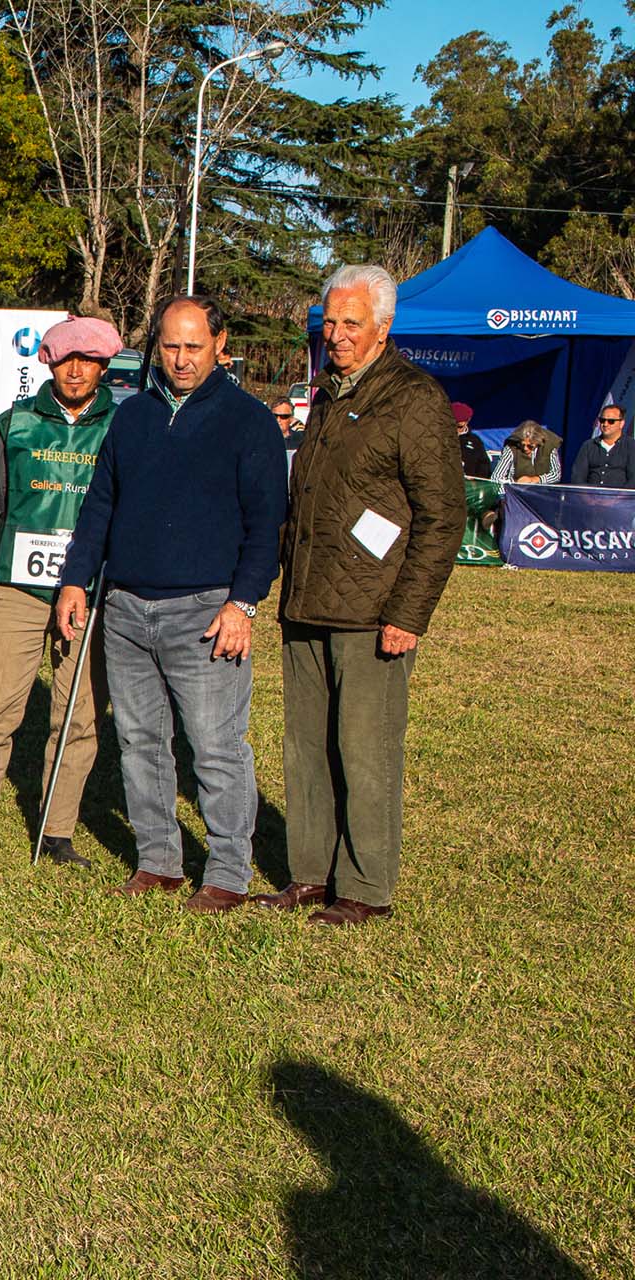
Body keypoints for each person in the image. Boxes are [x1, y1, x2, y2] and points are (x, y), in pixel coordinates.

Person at [52, 294, 287, 912]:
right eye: (170, 346)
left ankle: (229, 872)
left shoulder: (249, 421)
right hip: (127, 608)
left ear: (220, 344)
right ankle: (159, 860)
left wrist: (244, 604)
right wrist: (77, 579)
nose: (180, 360)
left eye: (193, 346)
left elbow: (267, 527)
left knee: (215, 746)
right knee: (140, 743)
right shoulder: (132, 418)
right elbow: (100, 503)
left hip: (207, 612)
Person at [265, 263, 463, 926]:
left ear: (384, 329)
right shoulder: (326, 392)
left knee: (365, 750)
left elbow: (442, 516)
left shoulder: (414, 399)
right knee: (306, 748)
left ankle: (365, 888)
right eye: (332, 322)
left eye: (352, 324)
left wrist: (408, 614)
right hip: (308, 601)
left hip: (373, 612)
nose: (338, 334)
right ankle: (310, 875)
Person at [0, 316, 124, 871]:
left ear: (104, 366)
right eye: (67, 359)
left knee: (78, 714)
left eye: (89, 360)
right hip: (18, 588)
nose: (77, 370)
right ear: (48, 361)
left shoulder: (122, 426)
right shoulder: (14, 423)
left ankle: (57, 829)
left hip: (93, 590)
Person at [571, 403, 632, 487]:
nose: (605, 424)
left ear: (621, 424)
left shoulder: (631, 446)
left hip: (621, 499)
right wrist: (589, 499)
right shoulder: (588, 446)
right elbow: (577, 478)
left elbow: (633, 481)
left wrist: (616, 499)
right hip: (590, 497)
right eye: (602, 420)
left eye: (611, 421)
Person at [490, 420, 561, 484]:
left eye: (530, 446)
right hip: (515, 494)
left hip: (542, 494)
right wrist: (516, 483)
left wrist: (536, 479)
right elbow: (496, 478)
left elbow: (556, 475)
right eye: (523, 444)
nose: (525, 448)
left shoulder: (549, 447)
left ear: (538, 443)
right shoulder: (511, 449)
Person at [451, 402, 491, 478]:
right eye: (452, 425)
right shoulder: (440, 438)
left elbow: (484, 465)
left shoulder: (475, 440)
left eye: (459, 426)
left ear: (468, 421)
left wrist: (477, 481)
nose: (456, 430)